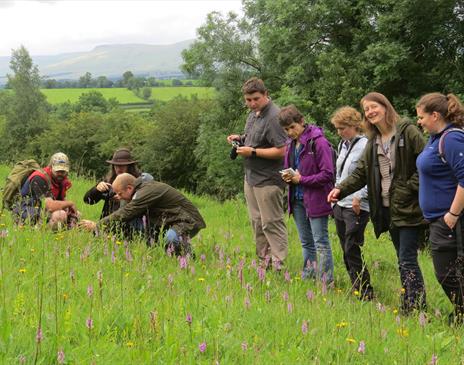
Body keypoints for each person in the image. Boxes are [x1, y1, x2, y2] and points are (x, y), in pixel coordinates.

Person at [328, 92, 427, 314]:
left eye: (374, 106)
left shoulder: (407, 131)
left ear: (385, 106)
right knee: (401, 258)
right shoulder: (373, 140)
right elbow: (361, 172)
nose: (371, 112)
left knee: (407, 259)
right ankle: (408, 302)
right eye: (367, 110)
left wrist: (405, 190)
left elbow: (426, 166)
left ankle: (417, 307)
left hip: (408, 207)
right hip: (386, 209)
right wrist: (340, 189)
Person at [226, 77, 288, 269]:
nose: (252, 103)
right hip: (251, 177)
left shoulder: (275, 117)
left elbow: (282, 150)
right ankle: (264, 262)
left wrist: (252, 152)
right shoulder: (253, 114)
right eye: (248, 100)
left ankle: (278, 264)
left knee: (272, 222)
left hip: (269, 180)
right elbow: (256, 138)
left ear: (266, 94)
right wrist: (241, 138)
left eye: (256, 99)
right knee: (257, 222)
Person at [416, 92, 464, 325]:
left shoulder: (451, 139)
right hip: (438, 218)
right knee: (450, 272)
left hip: (450, 219)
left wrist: (452, 214)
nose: (419, 122)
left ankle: (461, 312)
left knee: (446, 273)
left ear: (435, 115)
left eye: (422, 117)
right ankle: (460, 313)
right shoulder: (435, 139)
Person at [80, 173, 206, 255]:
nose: (118, 197)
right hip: (172, 220)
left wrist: (98, 225)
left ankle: (190, 260)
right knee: (134, 221)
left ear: (129, 188)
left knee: (170, 238)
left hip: (187, 220)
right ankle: (156, 252)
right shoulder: (142, 189)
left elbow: (127, 212)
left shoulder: (145, 191)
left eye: (120, 193)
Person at [278, 105, 334, 282]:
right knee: (306, 242)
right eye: (286, 129)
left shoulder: (318, 142)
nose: (290, 132)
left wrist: (301, 180)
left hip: (316, 199)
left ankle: (326, 281)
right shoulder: (290, 144)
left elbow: (327, 174)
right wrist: (288, 177)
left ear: (301, 122)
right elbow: (295, 171)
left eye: (292, 127)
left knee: (321, 243)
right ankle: (308, 277)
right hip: (296, 198)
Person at [330, 106, 373, 299]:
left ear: (355, 125)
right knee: (344, 247)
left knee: (352, 246)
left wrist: (360, 196)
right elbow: (340, 174)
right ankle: (355, 286)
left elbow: (368, 175)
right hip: (341, 203)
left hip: (357, 204)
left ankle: (365, 290)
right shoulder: (343, 145)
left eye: (343, 128)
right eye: (338, 128)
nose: (340, 132)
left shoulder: (366, 145)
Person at [83, 148, 152, 219]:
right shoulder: (110, 181)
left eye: (122, 165)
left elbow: (147, 203)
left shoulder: (140, 180)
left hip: (134, 223)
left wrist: (124, 197)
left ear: (129, 166)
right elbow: (88, 201)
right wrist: (97, 189)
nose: (119, 168)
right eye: (116, 165)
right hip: (108, 224)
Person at [16, 152, 79, 229]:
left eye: (63, 171)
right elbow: (50, 206)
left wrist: (70, 212)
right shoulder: (39, 178)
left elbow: (61, 201)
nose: (60, 174)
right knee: (60, 215)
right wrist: (70, 203)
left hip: (41, 211)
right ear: (51, 167)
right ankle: (40, 234)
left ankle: (66, 234)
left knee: (76, 214)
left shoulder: (61, 181)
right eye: (58, 170)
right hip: (25, 211)